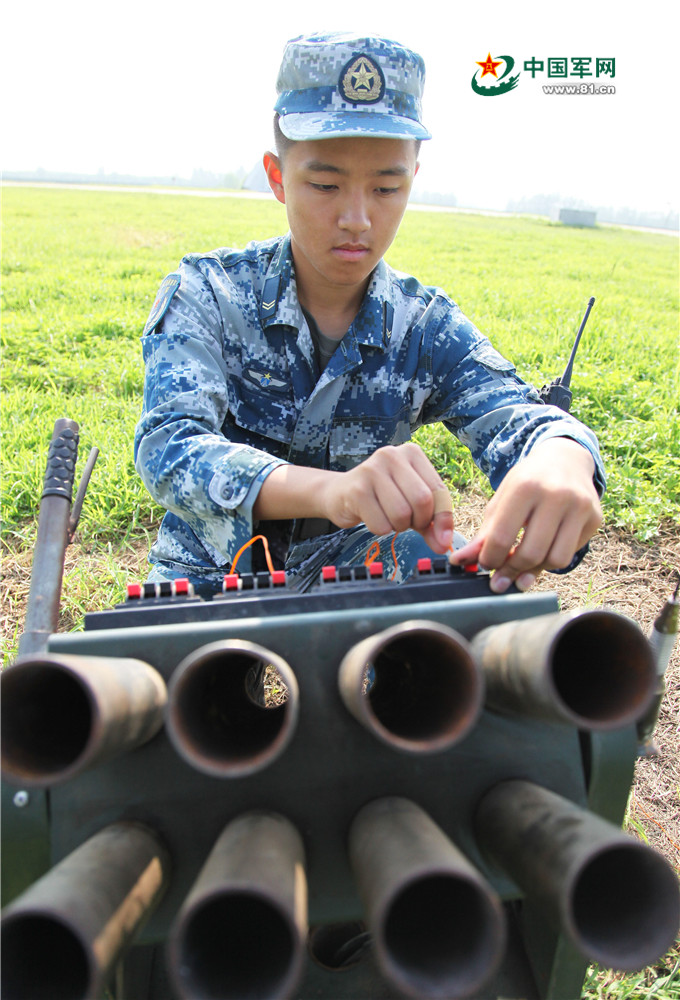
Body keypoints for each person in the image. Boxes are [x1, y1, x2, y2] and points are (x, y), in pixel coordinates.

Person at [134, 31, 604, 598]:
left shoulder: (422, 324)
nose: (356, 218)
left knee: (444, 591)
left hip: (357, 568)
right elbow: (171, 446)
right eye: (326, 184)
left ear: (413, 179)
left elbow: (517, 413)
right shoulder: (209, 293)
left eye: (386, 187)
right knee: (160, 685)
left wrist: (562, 457)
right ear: (278, 176)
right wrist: (334, 490)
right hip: (213, 567)